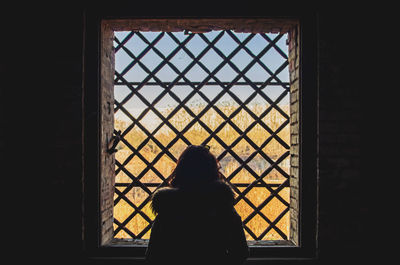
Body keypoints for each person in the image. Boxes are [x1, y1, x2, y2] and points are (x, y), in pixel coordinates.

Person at [145, 145, 249, 265]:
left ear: (180, 171)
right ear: (213, 171)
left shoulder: (168, 207)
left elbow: (153, 255)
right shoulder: (222, 206)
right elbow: (240, 252)